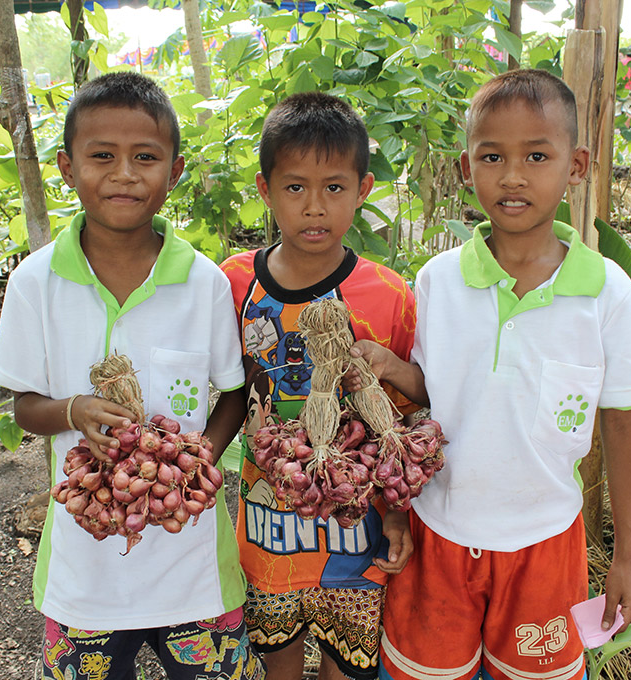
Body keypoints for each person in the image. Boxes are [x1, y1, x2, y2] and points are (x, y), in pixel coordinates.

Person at [346, 70, 631, 680]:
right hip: (438, 529)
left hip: (545, 542)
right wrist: (391, 368)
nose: (513, 176)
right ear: (468, 169)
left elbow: (624, 426)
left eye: (536, 156)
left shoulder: (607, 295)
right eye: (492, 156)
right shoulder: (438, 280)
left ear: (576, 166)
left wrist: (625, 556)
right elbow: (434, 394)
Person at [0, 71, 263, 680]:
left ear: (176, 170)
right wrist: (74, 412)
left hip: (192, 568)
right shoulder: (36, 283)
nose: (124, 174)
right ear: (66, 166)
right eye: (101, 156)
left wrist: (199, 459)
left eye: (145, 157)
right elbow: (24, 409)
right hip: (86, 578)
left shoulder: (204, 284)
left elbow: (234, 392)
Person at [220, 91, 417, 680]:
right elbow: (229, 387)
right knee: (275, 657)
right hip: (266, 523)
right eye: (295, 187)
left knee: (345, 666)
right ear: (265, 189)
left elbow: (404, 415)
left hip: (358, 527)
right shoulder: (234, 284)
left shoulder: (387, 295)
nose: (314, 207)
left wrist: (400, 515)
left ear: (363, 189)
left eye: (334, 188)